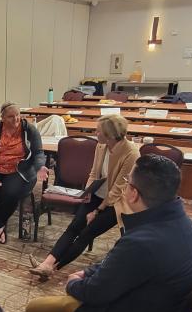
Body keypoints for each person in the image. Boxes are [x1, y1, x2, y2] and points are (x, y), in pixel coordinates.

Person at [25, 155, 192, 312]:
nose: (126, 187)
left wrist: (73, 283)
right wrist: (89, 271)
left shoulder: (142, 242)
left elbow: (94, 293)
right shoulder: (182, 223)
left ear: (134, 193)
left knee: (35, 309)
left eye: (127, 182)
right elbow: (116, 265)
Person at [28, 115, 140, 280]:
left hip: (114, 203)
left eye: (98, 131)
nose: (95, 133)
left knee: (86, 234)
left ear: (110, 134)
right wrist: (87, 194)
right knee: (73, 227)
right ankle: (46, 263)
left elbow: (118, 189)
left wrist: (97, 210)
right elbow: (94, 173)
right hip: (96, 195)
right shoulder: (101, 146)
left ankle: (54, 268)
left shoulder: (131, 152)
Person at [0, 102, 48, 244]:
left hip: (21, 170)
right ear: (2, 118)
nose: (16, 119)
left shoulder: (30, 130)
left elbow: (39, 153)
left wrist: (40, 167)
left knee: (9, 193)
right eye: (11, 116)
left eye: (18, 115)